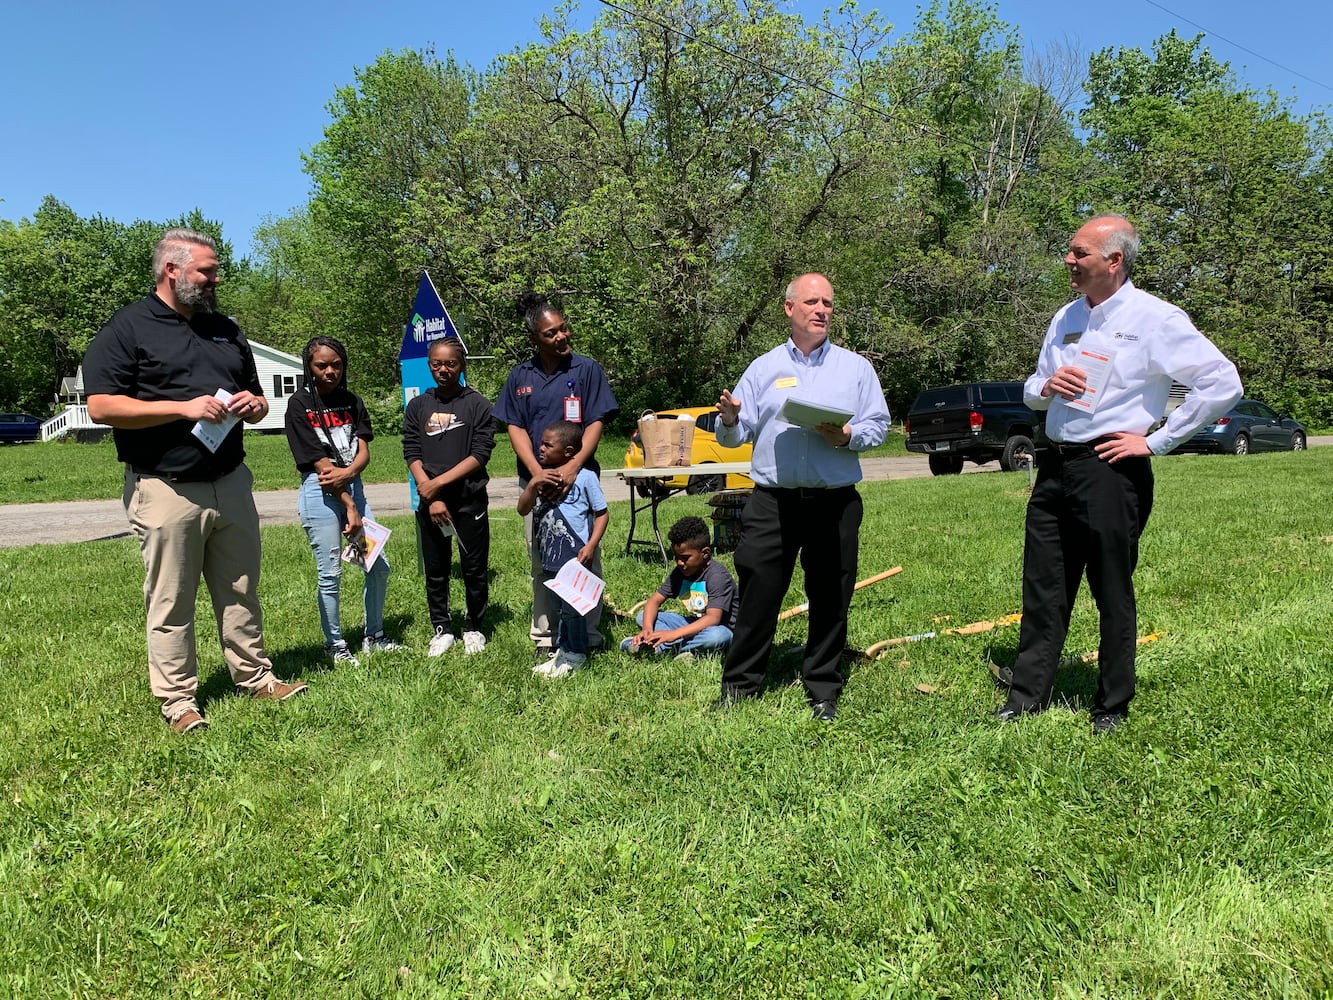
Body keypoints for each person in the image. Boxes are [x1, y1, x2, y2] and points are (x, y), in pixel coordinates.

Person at [996, 213, 1243, 734]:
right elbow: (1033, 388)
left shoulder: (1157, 318)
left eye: (1079, 253)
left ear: (1114, 260)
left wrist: (1156, 440)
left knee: (1110, 588)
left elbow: (1222, 382)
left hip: (1111, 467)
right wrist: (1045, 387)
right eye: (1070, 251)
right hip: (1054, 466)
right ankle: (1026, 699)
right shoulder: (1065, 317)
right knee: (1043, 586)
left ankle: (1111, 705)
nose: (1069, 260)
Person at [84, 228, 307, 734]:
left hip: (230, 480)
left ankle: (254, 678)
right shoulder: (130, 327)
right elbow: (102, 405)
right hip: (165, 486)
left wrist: (255, 406)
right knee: (171, 599)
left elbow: (255, 395)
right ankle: (179, 702)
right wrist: (180, 408)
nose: (216, 278)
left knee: (241, 588)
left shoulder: (225, 329)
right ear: (172, 271)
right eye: (207, 270)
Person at [713, 273, 891, 721]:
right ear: (789, 309)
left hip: (834, 502)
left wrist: (848, 434)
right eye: (812, 302)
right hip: (773, 501)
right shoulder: (763, 367)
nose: (822, 310)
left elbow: (879, 426)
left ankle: (823, 690)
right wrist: (731, 419)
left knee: (831, 594)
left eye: (828, 303)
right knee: (758, 594)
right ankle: (739, 686)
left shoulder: (855, 368)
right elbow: (735, 438)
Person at [493, 293, 618, 657]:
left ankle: (587, 636)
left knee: (583, 558)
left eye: (563, 328)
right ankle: (546, 636)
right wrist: (536, 473)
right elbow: (514, 426)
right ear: (535, 338)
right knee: (542, 560)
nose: (562, 337)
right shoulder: (521, 376)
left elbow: (595, 421)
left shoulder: (586, 370)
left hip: (578, 481)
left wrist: (573, 465)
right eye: (551, 334)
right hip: (537, 485)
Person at [284, 335, 402, 667]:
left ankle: (374, 637)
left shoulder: (352, 401)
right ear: (309, 367)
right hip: (320, 495)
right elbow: (322, 468)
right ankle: (334, 644)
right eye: (322, 365)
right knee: (331, 572)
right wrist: (349, 504)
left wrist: (350, 475)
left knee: (377, 566)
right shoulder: (299, 405)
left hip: (352, 487)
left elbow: (363, 448)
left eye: (336, 365)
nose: (330, 371)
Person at [403, 337, 496, 656]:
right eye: (436, 364)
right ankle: (442, 628)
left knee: (473, 567)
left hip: (469, 499)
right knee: (436, 567)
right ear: (429, 365)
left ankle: (474, 627)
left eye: (450, 364)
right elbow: (411, 450)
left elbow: (480, 454)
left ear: (462, 366)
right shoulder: (418, 405)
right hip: (431, 502)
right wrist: (429, 492)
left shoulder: (478, 404)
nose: (443, 370)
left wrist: (436, 484)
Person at [517, 420, 609, 679]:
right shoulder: (540, 477)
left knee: (573, 608)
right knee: (558, 607)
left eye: (548, 445)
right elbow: (522, 509)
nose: (541, 448)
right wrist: (534, 483)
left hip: (576, 558)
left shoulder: (586, 477)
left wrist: (591, 546)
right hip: (549, 558)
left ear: (568, 451)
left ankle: (576, 654)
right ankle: (563, 650)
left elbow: (602, 514)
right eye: (541, 443)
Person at [620, 515, 738, 660]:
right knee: (643, 616)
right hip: (695, 624)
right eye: (676, 557)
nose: (679, 563)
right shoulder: (680, 572)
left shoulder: (718, 576)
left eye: (685, 558)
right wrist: (647, 629)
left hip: (721, 628)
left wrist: (673, 634)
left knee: (718, 636)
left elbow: (713, 619)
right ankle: (657, 643)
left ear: (705, 553)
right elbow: (654, 601)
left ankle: (661, 649)